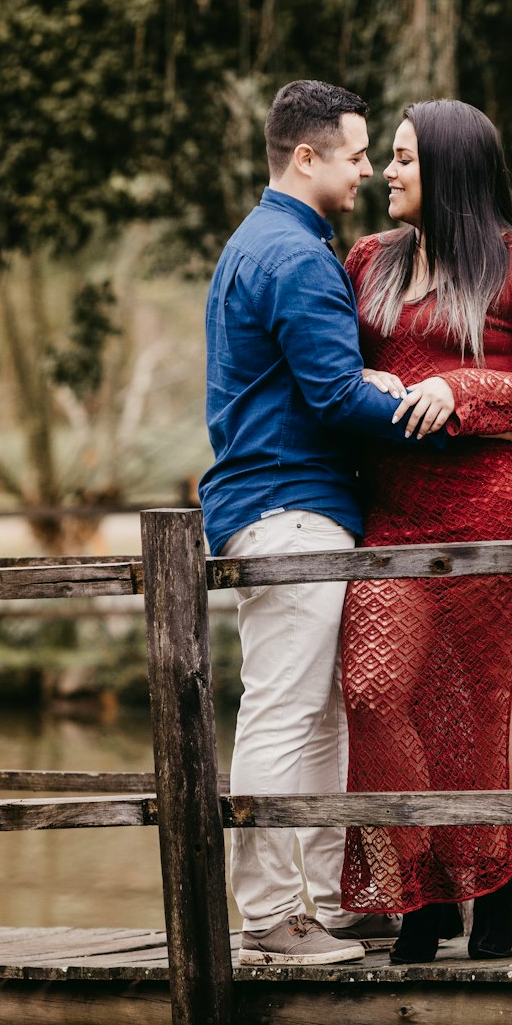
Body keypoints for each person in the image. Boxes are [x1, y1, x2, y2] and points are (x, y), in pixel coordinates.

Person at [338, 100, 512, 963]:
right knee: (376, 692)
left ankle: (490, 890)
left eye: (404, 159)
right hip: (394, 505)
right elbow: (327, 361)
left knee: (485, 698)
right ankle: (418, 889)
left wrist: (467, 389)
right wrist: (358, 373)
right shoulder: (368, 260)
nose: (389, 173)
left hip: (499, 496)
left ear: (449, 169)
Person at [199, 79, 444, 967]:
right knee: (283, 710)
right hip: (289, 509)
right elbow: (336, 398)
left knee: (325, 714)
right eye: (355, 152)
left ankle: (337, 899)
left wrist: (369, 388)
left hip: (290, 507)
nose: (369, 167)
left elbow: (316, 384)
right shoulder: (298, 257)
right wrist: (445, 411)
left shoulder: (259, 243)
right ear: (306, 157)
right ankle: (268, 915)